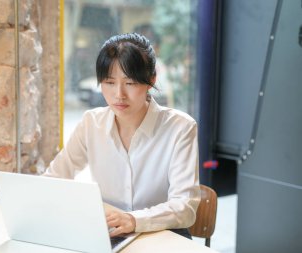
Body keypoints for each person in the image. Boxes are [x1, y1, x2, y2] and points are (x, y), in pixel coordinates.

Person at [44, 33, 200, 239]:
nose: (119, 94)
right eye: (109, 82)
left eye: (130, 83)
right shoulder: (92, 123)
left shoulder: (180, 128)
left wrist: (134, 220)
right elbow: (53, 180)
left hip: (162, 235)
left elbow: (184, 207)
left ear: (151, 80)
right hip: (110, 235)